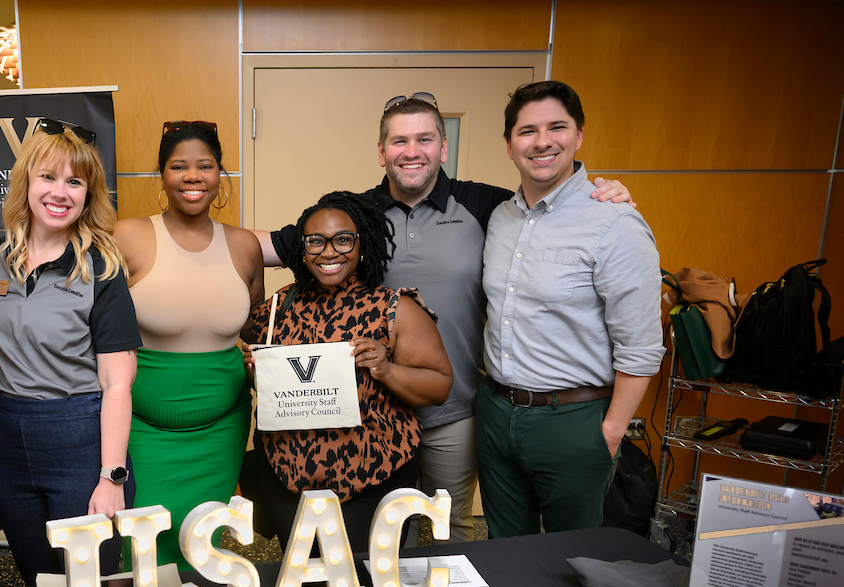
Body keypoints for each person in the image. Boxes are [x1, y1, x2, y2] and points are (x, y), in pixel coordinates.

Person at [255, 95, 633, 542]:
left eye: (424, 139)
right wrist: (198, 230)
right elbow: (264, 246)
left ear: (443, 147)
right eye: (399, 140)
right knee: (390, 533)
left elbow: (549, 209)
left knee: (448, 529)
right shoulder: (355, 216)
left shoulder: (489, 205)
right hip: (373, 412)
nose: (412, 151)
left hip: (455, 410)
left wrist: (601, 192)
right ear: (382, 151)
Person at [477, 81, 663, 538]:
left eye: (556, 127)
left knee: (575, 560)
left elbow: (641, 346)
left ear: (578, 136)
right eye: (528, 131)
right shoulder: (500, 217)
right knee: (505, 551)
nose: (542, 141)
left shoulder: (615, 221)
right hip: (496, 411)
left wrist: (611, 432)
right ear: (509, 145)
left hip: (575, 421)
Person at [0, 119, 140, 584]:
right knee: (39, 583)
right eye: (48, 177)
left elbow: (118, 383)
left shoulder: (100, 266)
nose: (60, 191)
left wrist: (111, 478)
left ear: (89, 194)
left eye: (74, 181)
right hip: (9, 441)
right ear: (27, 182)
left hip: (79, 440)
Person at [242, 191, 452, 552]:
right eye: (316, 241)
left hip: (371, 478)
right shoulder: (280, 305)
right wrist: (254, 370)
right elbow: (262, 382)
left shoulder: (392, 308)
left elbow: (439, 386)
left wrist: (386, 370)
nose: (328, 252)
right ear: (302, 249)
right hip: (286, 476)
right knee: (304, 585)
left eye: (342, 240)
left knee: (362, 586)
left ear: (361, 244)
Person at [114, 120, 264, 569]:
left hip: (223, 428)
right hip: (141, 427)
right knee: (142, 541)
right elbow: (96, 329)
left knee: (202, 541)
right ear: (161, 175)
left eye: (205, 165)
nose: (193, 176)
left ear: (221, 174)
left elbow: (255, 327)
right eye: (179, 166)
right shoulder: (128, 236)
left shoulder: (244, 246)